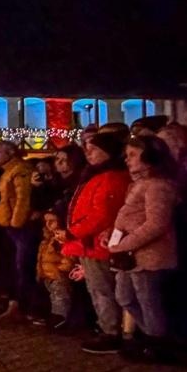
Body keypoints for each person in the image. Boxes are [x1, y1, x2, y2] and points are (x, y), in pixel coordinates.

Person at [108, 137, 180, 360]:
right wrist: (113, 236)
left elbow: (157, 223)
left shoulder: (158, 186)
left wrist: (124, 244)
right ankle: (151, 336)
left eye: (132, 155)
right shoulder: (140, 184)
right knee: (125, 297)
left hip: (148, 256)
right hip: (130, 254)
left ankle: (157, 342)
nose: (127, 160)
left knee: (148, 301)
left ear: (148, 158)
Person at [59, 130, 130, 355]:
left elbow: (102, 214)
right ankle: (107, 326)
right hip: (90, 242)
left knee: (102, 289)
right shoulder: (96, 175)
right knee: (98, 288)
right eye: (87, 149)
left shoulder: (110, 178)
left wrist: (73, 231)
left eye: (94, 150)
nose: (88, 154)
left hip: (97, 242)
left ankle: (111, 331)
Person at [0, 143, 36, 319]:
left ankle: (22, 305)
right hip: (7, 223)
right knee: (11, 266)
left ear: (10, 153)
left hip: (17, 226)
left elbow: (22, 198)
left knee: (21, 266)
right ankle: (12, 303)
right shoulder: (8, 171)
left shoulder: (20, 170)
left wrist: (16, 222)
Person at [34, 209, 77, 330]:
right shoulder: (47, 237)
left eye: (52, 221)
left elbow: (69, 257)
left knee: (60, 294)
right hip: (46, 275)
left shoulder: (62, 238)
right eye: (46, 221)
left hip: (58, 275)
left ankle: (60, 318)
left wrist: (59, 271)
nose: (48, 224)